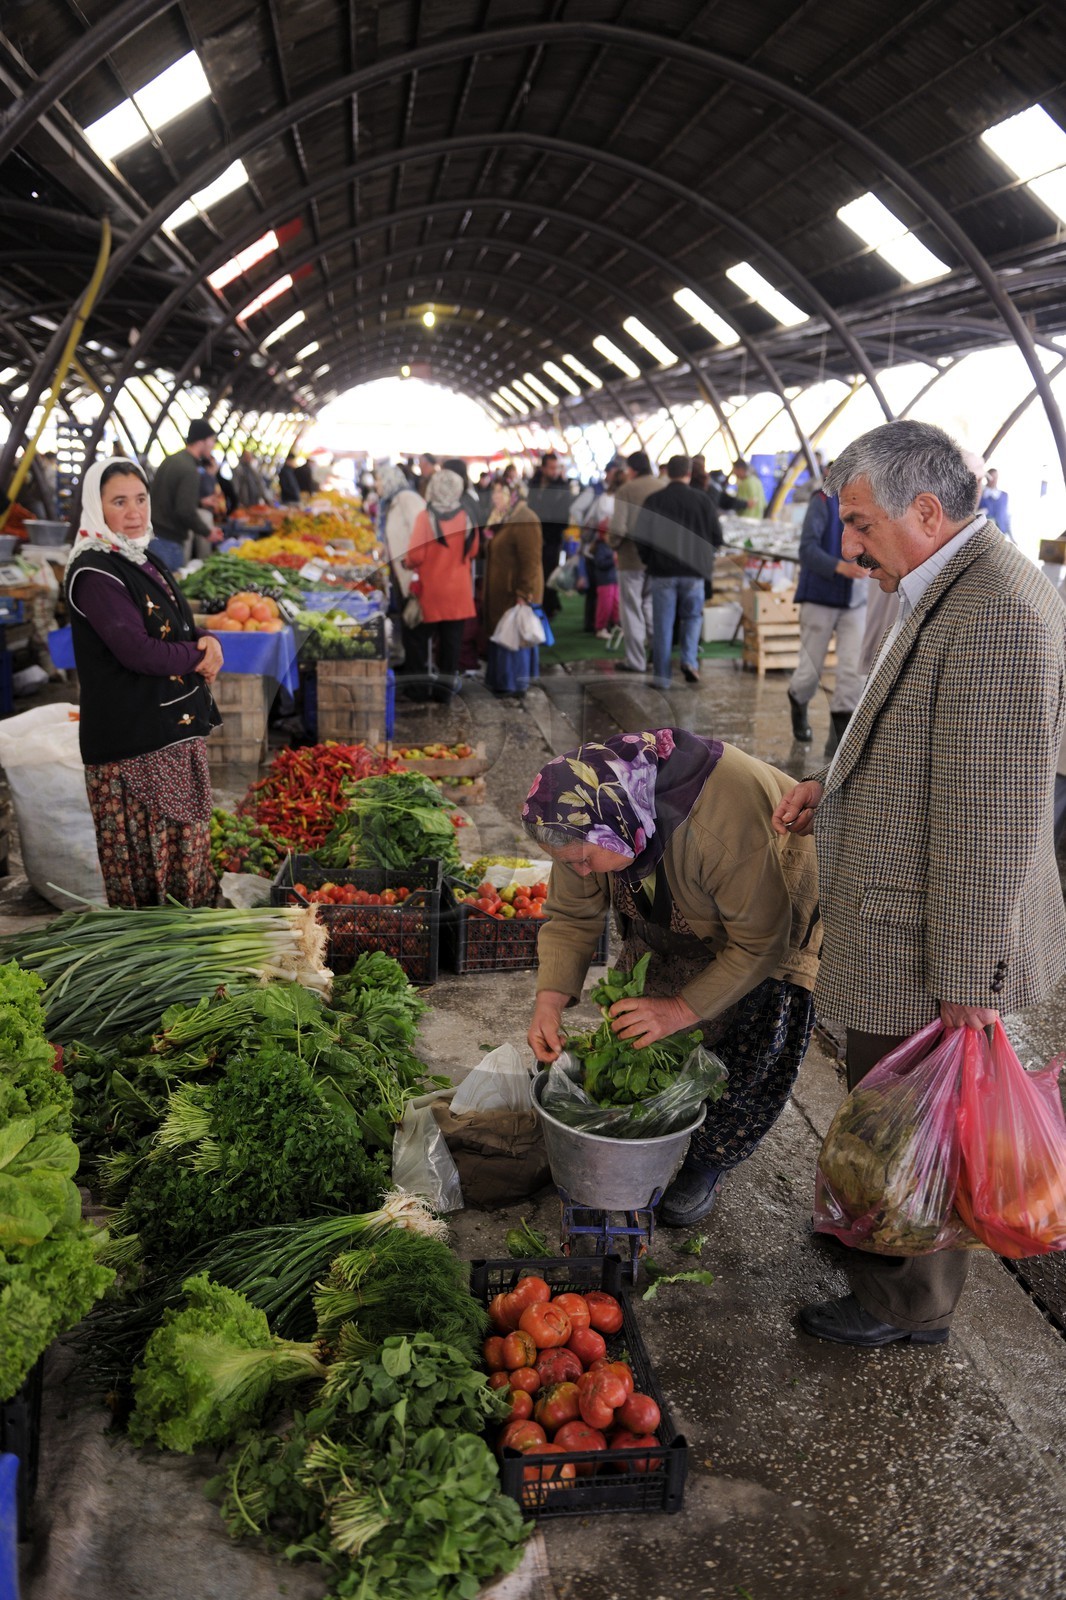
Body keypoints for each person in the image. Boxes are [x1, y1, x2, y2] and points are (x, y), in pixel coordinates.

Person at [772, 419, 1066, 1348]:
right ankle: (878, 1248)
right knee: (888, 1106)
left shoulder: (1000, 614)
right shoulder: (949, 581)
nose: (848, 547)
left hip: (932, 938)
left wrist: (966, 983)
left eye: (860, 525)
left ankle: (907, 1302)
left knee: (918, 1121)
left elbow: (990, 821)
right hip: (904, 919)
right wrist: (838, 785)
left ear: (927, 510)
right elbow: (920, 737)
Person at [524, 729, 821, 1225]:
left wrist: (681, 1009)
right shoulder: (585, 811)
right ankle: (654, 1133)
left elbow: (760, 943)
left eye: (583, 861)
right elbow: (572, 916)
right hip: (687, 909)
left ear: (616, 831)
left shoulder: (718, 825)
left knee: (748, 1047)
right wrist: (549, 1002)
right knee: (641, 1033)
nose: (578, 872)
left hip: (772, 911)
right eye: (567, 862)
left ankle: (707, 1162)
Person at [66, 458, 222, 908]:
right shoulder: (95, 571)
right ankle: (161, 957)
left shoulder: (137, 556)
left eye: (140, 499)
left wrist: (205, 640)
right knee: (146, 865)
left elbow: (172, 625)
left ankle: (190, 943)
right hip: (133, 746)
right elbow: (135, 650)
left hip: (165, 733)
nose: (134, 512)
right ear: (97, 509)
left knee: (183, 857)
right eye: (119, 502)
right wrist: (200, 655)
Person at [786, 487, 869, 748]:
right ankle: (797, 700)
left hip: (857, 600)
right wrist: (840, 567)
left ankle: (838, 736)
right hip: (820, 596)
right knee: (810, 670)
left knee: (853, 669)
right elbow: (807, 549)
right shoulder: (821, 501)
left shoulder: (876, 499)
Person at [634, 454, 721, 688]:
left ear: (667, 473)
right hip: (694, 573)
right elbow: (717, 537)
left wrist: (649, 560)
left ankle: (662, 677)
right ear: (688, 473)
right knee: (692, 618)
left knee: (663, 623)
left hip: (662, 573)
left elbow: (640, 537)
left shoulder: (654, 500)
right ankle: (689, 661)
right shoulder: (703, 501)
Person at [402, 469, 479, 704]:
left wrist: (405, 562)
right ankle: (444, 693)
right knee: (451, 645)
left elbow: (416, 555)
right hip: (459, 593)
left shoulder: (426, 517)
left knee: (414, 637)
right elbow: (474, 551)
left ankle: (416, 690)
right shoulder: (468, 516)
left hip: (431, 592)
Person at [482, 477, 543, 698]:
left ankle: (513, 683)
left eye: (501, 493)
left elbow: (531, 561)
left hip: (515, 593)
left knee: (514, 638)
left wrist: (523, 593)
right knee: (504, 636)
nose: (495, 498)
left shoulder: (525, 518)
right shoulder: (504, 517)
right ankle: (501, 681)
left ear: (514, 494)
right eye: (495, 493)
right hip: (503, 590)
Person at [608, 451, 660, 673]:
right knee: (650, 607)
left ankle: (636, 661)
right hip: (658, 559)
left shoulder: (626, 490)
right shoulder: (661, 486)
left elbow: (619, 527)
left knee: (631, 610)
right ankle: (660, 656)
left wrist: (612, 543)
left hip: (631, 558)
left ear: (632, 470)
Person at [150, 419, 219, 564]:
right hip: (169, 542)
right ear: (202, 441)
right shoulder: (190, 470)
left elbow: (167, 496)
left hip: (154, 536)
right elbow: (185, 511)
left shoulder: (171, 460)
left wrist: (199, 502)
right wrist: (207, 532)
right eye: (212, 440)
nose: (213, 445)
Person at [527, 452, 573, 618]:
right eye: (551, 468)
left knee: (549, 572)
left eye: (556, 467)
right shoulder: (533, 484)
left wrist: (549, 535)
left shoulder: (561, 487)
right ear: (543, 468)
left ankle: (548, 607)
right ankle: (539, 603)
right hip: (533, 536)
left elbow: (563, 518)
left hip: (551, 539)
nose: (554, 471)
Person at [591, 524, 620, 638]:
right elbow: (600, 563)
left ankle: (615, 625)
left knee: (615, 605)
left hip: (613, 580)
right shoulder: (601, 547)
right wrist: (613, 560)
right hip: (605, 582)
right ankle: (600, 628)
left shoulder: (609, 546)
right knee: (604, 606)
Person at [978, 466, 1013, 541]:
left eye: (996, 477)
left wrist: (1012, 537)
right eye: (992, 477)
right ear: (987, 477)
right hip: (984, 535)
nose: (994, 480)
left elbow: (1007, 517)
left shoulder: (1004, 496)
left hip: (1001, 535)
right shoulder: (980, 494)